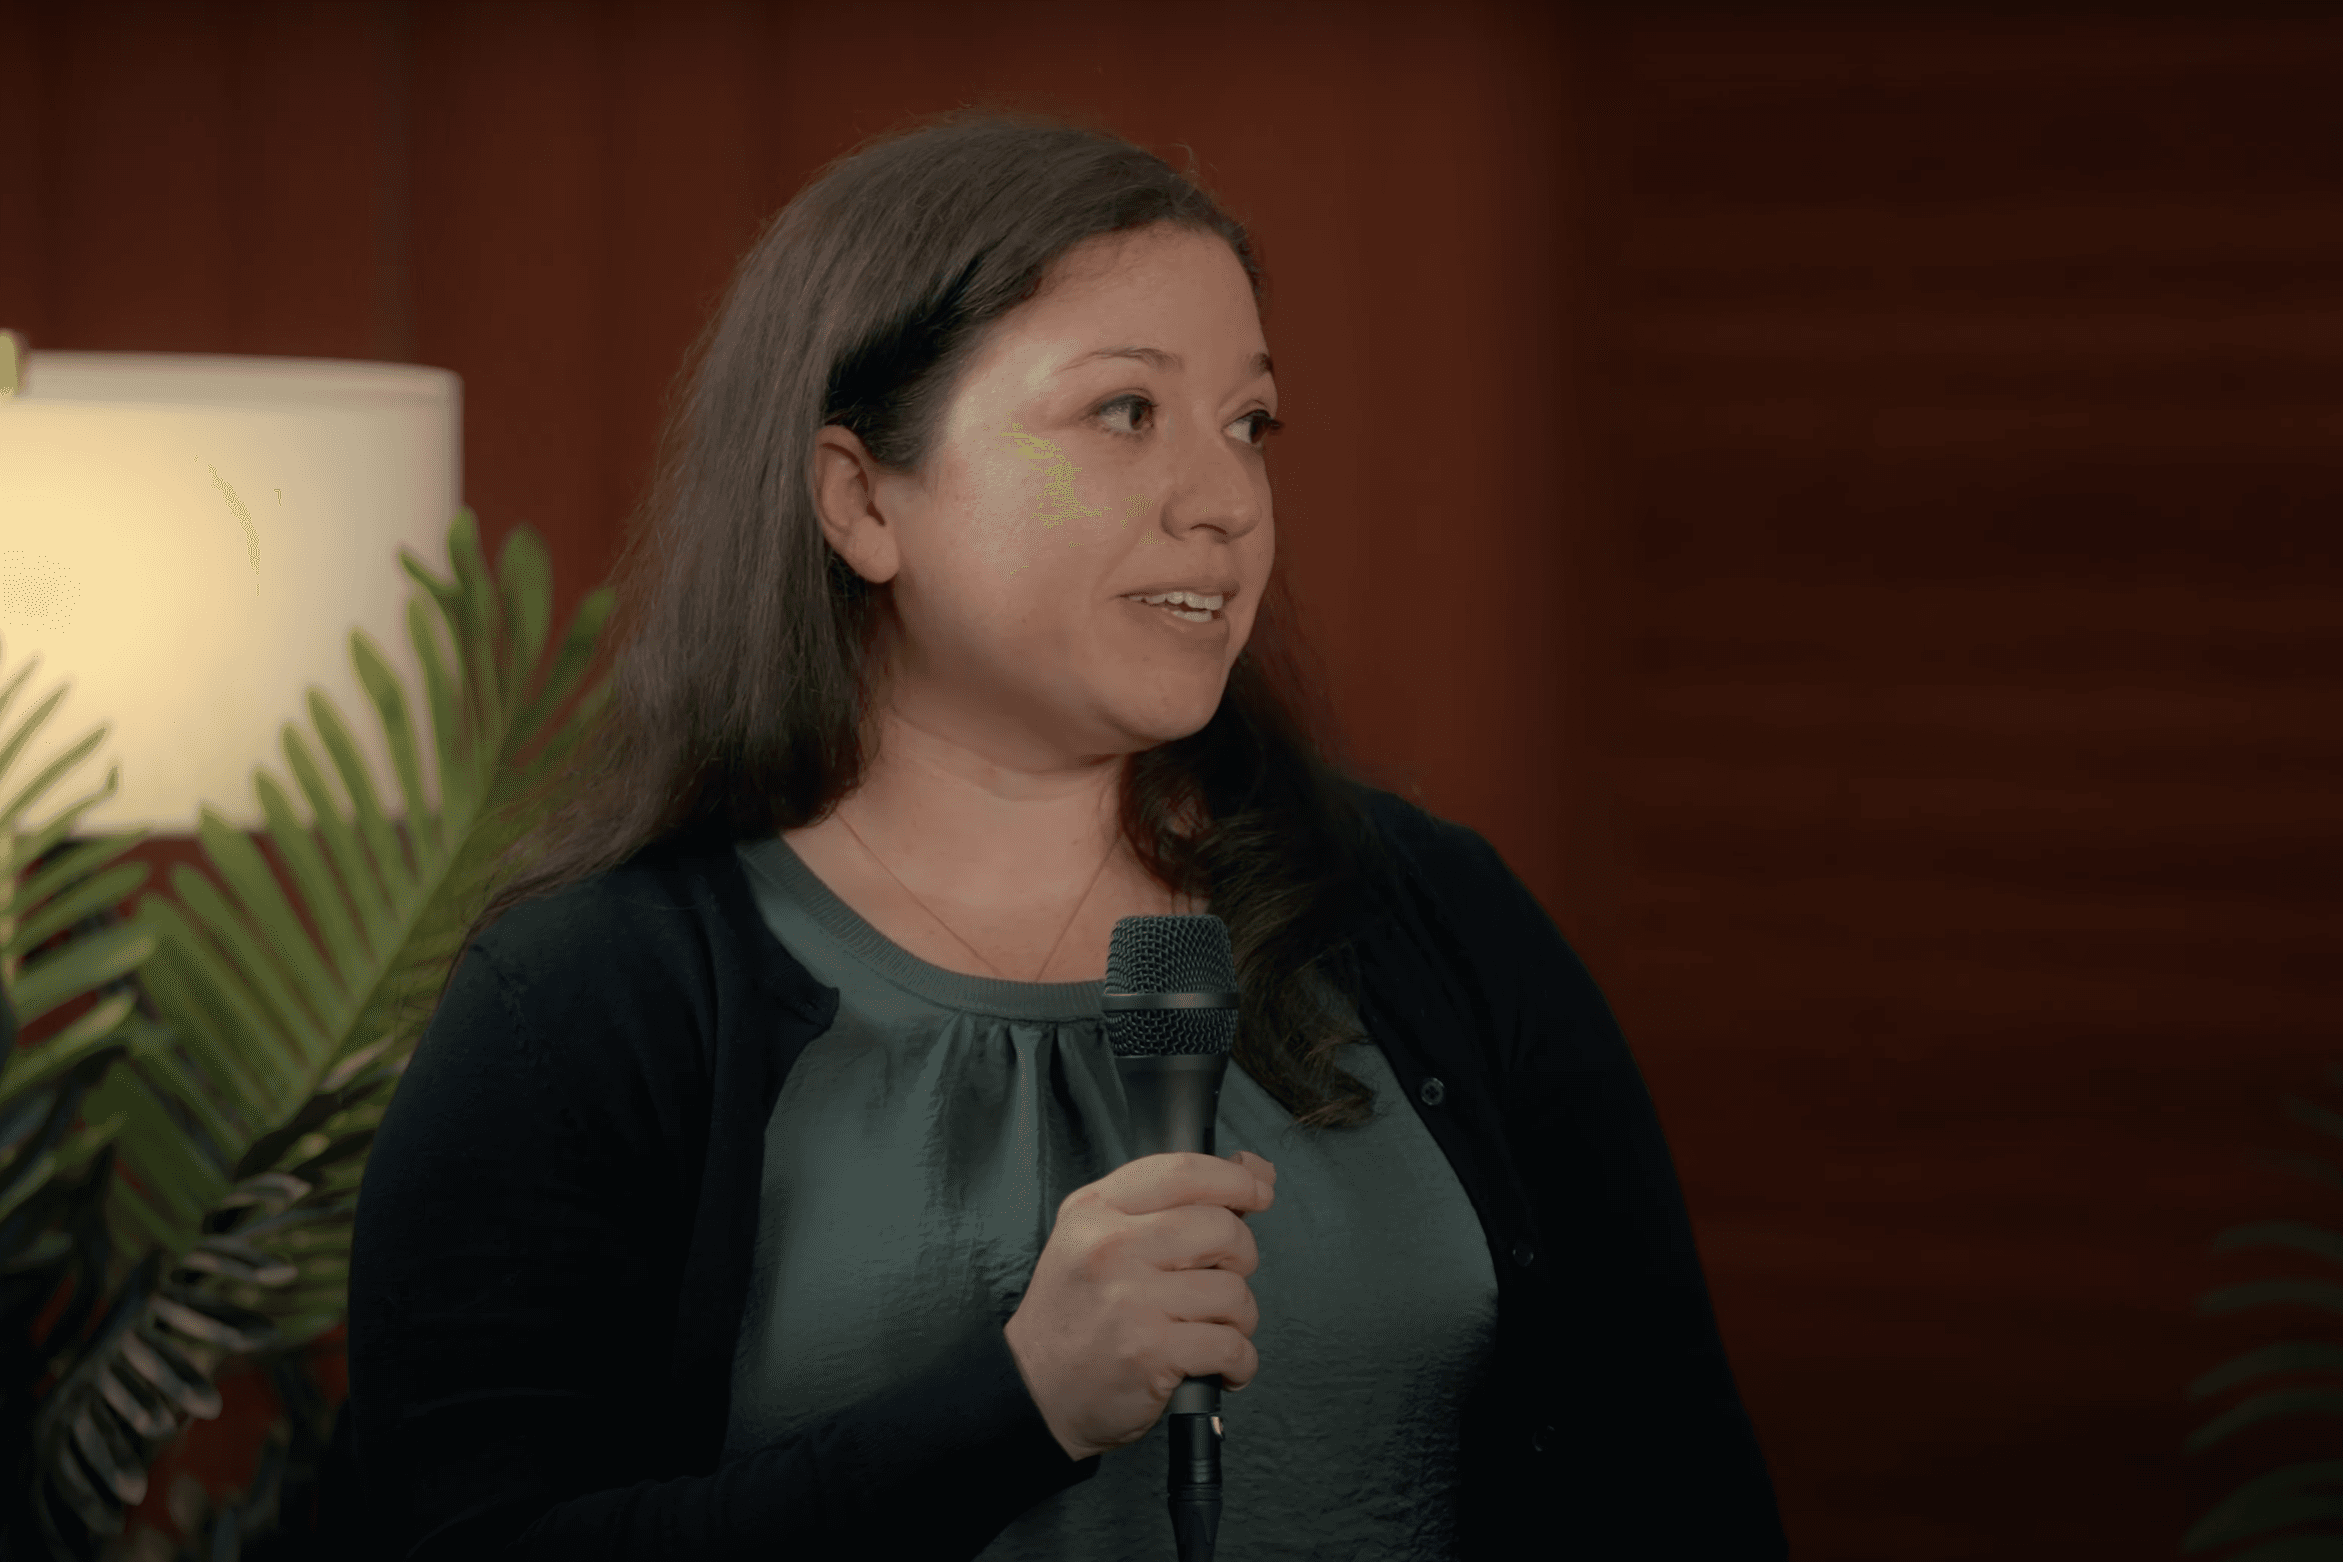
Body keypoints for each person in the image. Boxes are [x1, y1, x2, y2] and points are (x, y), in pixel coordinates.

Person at [339, 107, 1787, 1559]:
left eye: (1249, 424)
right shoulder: (591, 994)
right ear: (861, 499)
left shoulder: (1425, 912)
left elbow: (1679, 1488)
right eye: (1123, 412)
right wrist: (1015, 1402)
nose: (1224, 500)